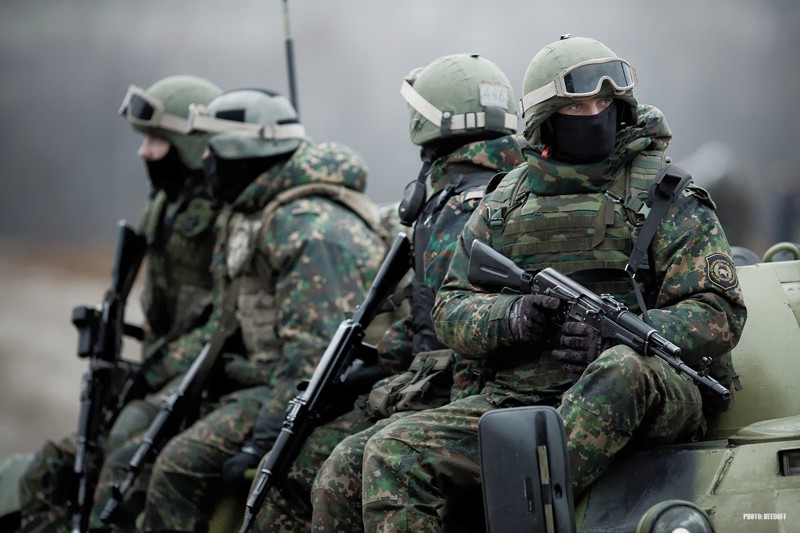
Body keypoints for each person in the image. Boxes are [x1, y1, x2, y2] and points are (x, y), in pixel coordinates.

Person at [360, 35, 748, 531]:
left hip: (650, 391)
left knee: (622, 370)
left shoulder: (667, 195)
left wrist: (621, 335)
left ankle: (529, 492)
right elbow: (451, 307)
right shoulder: (504, 201)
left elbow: (719, 311)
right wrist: (514, 317)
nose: (595, 114)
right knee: (390, 451)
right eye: (578, 106)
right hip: (522, 401)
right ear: (548, 117)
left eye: (605, 103)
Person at [248, 53, 525, 532]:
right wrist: (369, 368)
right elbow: (426, 315)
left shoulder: (461, 206)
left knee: (307, 467)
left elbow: (449, 329)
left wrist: (385, 383)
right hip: (449, 384)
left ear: (428, 122)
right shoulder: (491, 190)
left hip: (453, 394)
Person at [112, 87, 388, 532]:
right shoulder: (250, 212)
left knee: (180, 465)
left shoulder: (308, 227)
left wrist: (262, 442)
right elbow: (224, 324)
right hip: (262, 380)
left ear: (243, 153)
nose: (204, 160)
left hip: (314, 393)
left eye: (212, 149)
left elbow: (313, 359)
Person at [16, 74, 222, 532]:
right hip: (161, 373)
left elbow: (228, 322)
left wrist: (156, 369)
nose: (143, 152)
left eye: (156, 140)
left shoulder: (227, 216)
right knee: (50, 467)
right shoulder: (163, 206)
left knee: (125, 448)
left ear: (191, 146)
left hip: (205, 379)